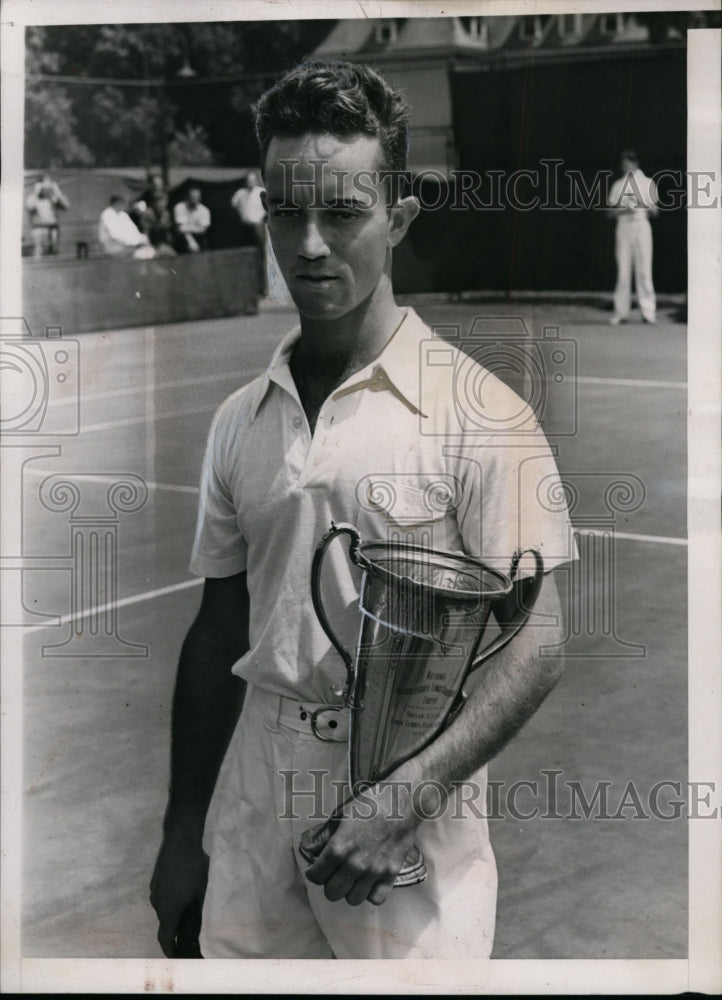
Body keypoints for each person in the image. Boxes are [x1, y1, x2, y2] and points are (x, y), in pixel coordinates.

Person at [150, 60, 576, 960]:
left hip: (407, 816)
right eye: (287, 212)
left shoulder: (481, 412)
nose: (310, 245)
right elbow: (219, 624)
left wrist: (400, 802)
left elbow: (536, 640)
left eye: (343, 213)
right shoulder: (240, 419)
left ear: (399, 218)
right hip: (258, 800)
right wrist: (182, 830)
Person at [607, 150, 658, 325]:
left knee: (644, 270)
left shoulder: (647, 183)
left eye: (628, 162)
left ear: (635, 164)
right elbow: (610, 212)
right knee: (623, 270)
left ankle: (648, 312)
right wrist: (623, 209)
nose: (625, 165)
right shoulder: (618, 185)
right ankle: (621, 312)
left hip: (641, 226)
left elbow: (654, 211)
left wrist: (641, 204)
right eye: (623, 163)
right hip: (623, 228)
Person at [231, 169, 268, 302]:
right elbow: (234, 204)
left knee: (259, 258)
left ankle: (261, 289)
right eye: (248, 180)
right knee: (245, 257)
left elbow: (268, 207)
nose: (250, 182)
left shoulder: (261, 192)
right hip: (244, 228)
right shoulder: (240, 193)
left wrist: (260, 218)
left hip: (257, 227)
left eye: (252, 180)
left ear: (256, 180)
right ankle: (247, 289)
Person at [26, 173, 70, 259]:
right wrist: (36, 192)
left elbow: (67, 206)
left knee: (54, 255)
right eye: (44, 183)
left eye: (49, 183)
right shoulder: (33, 197)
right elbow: (30, 207)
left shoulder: (53, 198)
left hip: (52, 229)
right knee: (38, 253)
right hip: (38, 230)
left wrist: (57, 191)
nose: (46, 187)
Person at [173, 187, 211, 253]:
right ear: (187, 197)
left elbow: (203, 230)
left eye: (197, 197)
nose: (195, 199)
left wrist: (187, 227)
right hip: (183, 238)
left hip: (200, 238)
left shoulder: (204, 210)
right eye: (192, 196)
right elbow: (181, 229)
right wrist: (191, 241)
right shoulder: (179, 207)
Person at [139, 192, 177, 257]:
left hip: (163, 243)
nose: (162, 205)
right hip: (149, 244)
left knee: (172, 255)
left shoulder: (166, 214)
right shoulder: (147, 214)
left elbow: (167, 233)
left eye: (164, 202)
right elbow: (145, 232)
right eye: (159, 202)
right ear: (154, 203)